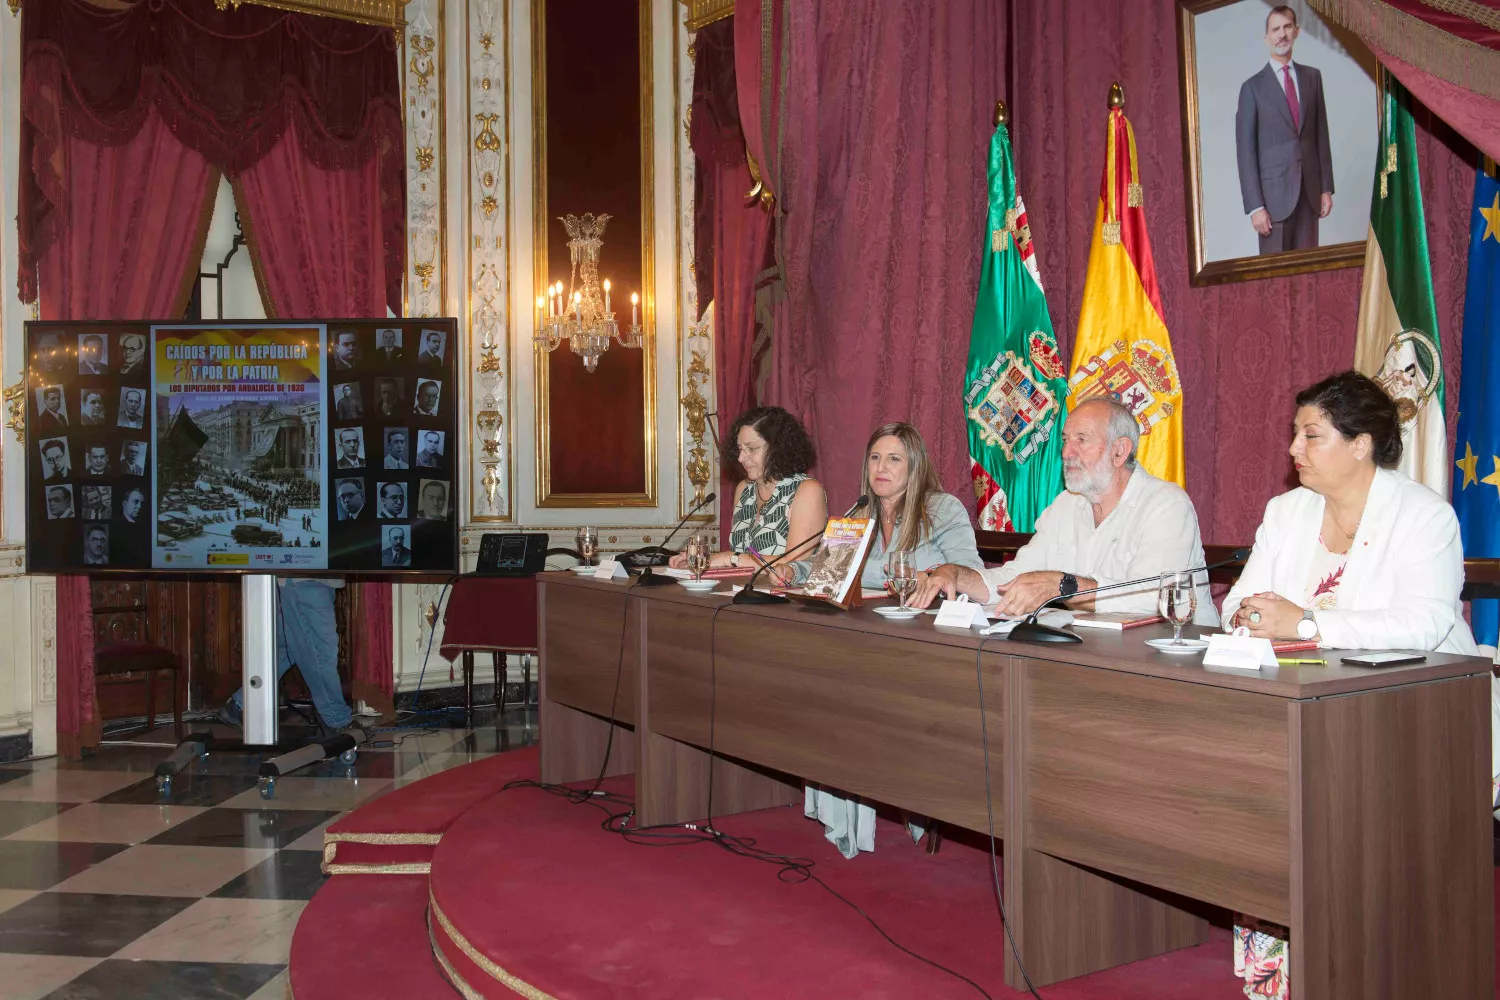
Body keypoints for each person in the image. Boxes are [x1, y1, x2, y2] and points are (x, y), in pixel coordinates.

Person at [1219, 370, 1479, 1000]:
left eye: (1312, 435)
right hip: (1295, 701)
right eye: (1295, 434)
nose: (1293, 449)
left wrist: (1307, 623)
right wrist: (1256, 617)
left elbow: (1425, 624)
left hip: (1413, 709)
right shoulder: (1287, 512)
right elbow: (1234, 608)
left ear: (1361, 444)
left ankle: (1356, 962)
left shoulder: (1423, 516)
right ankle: (1275, 974)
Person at [806, 423, 984, 859]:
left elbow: (971, 572)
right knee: (817, 675)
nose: (881, 468)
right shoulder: (857, 514)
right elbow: (822, 571)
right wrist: (784, 573)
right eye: (874, 458)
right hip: (866, 643)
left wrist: (938, 575)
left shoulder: (941, 510)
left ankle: (904, 787)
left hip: (928, 650)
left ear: (915, 466)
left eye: (894, 459)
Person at [913, 397, 1218, 624]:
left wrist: (1064, 586)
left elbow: (1154, 598)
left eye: (1081, 440)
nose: (1066, 452)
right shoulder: (1067, 504)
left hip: (1172, 660)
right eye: (1065, 440)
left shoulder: (1166, 504)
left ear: (1119, 450)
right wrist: (956, 575)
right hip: (1090, 654)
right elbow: (1018, 578)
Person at [670, 406, 828, 580]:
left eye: (752, 449)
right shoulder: (744, 488)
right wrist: (703, 560)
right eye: (739, 448)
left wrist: (727, 558)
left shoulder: (806, 491)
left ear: (779, 448)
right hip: (739, 592)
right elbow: (739, 556)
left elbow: (792, 562)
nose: (740, 458)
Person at [1235, 5, 1333, 255]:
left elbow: (1320, 135)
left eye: (1287, 27)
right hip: (1272, 202)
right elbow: (1245, 153)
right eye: (1275, 29)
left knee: (1309, 277)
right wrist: (1255, 206)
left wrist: (1325, 188)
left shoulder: (1314, 78)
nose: (1282, 34)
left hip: (1310, 196)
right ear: (1266, 38)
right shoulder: (1252, 88)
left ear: (1296, 32)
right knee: (1275, 284)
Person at [217, 579, 362, 738]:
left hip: (306, 579)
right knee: (319, 651)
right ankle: (336, 719)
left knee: (288, 647)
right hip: (306, 577)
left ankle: (239, 704)